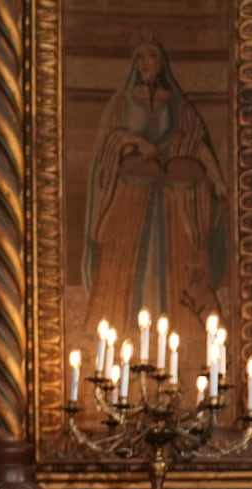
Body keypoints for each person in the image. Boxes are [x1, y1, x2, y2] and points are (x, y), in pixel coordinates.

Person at [83, 39, 227, 338]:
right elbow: (110, 143)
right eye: (140, 59)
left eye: (151, 56)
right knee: (126, 268)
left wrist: (217, 179)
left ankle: (181, 333)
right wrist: (135, 143)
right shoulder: (123, 104)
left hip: (173, 204)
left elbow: (196, 144)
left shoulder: (178, 106)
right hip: (130, 199)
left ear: (162, 62)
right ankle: (120, 334)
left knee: (173, 265)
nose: (145, 63)